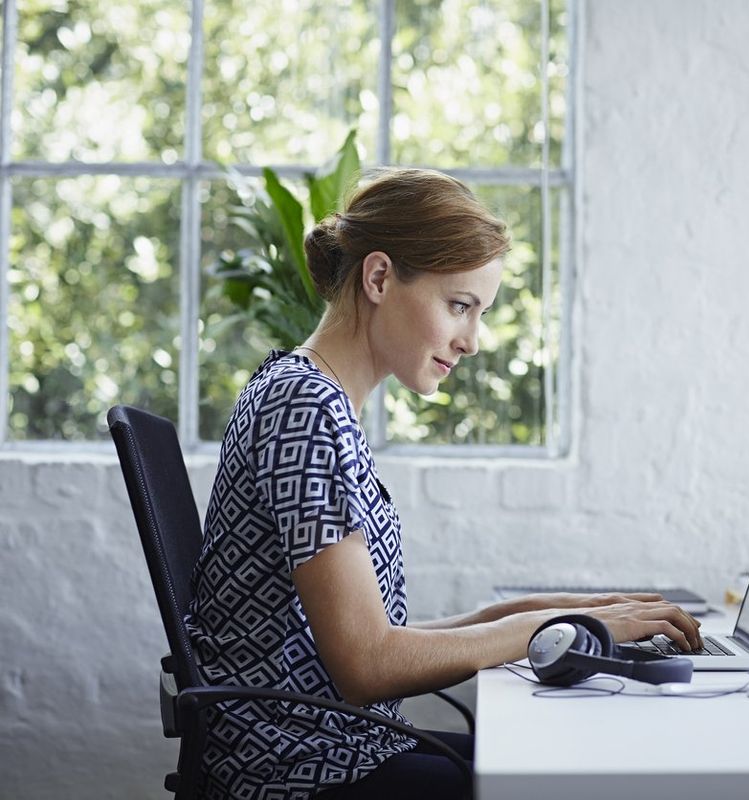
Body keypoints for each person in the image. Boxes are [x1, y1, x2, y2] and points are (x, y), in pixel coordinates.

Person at [185, 167, 702, 799]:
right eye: (460, 306)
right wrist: (560, 626)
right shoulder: (305, 408)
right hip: (305, 773)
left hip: (341, 749)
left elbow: (378, 641)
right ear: (379, 278)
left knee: (577, 762)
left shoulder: (310, 396)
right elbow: (367, 664)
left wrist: (583, 614)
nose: (474, 341)